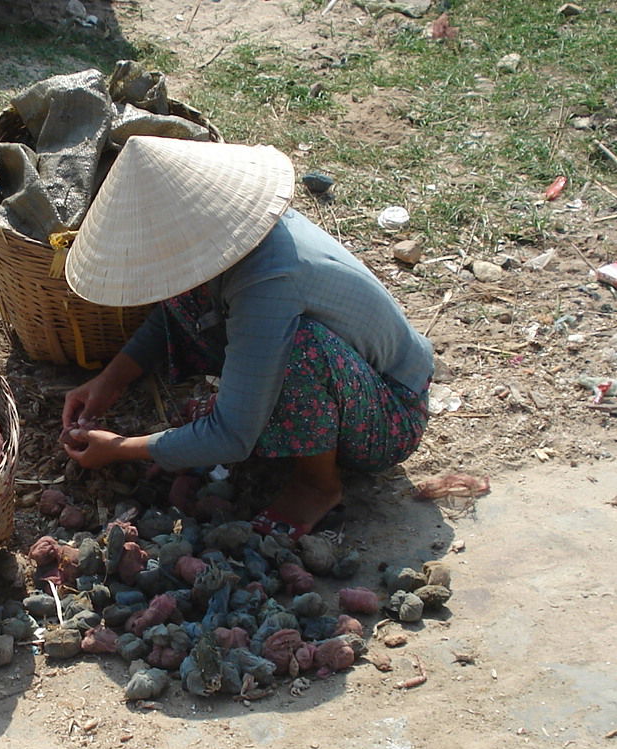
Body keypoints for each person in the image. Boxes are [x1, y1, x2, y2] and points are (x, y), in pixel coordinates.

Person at [59, 135, 434, 538]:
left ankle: (318, 483)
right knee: (184, 294)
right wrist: (109, 381)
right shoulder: (227, 237)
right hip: (342, 379)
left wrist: (120, 449)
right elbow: (170, 317)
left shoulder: (269, 280)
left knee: (299, 350)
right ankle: (264, 422)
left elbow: (233, 436)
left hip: (389, 415)